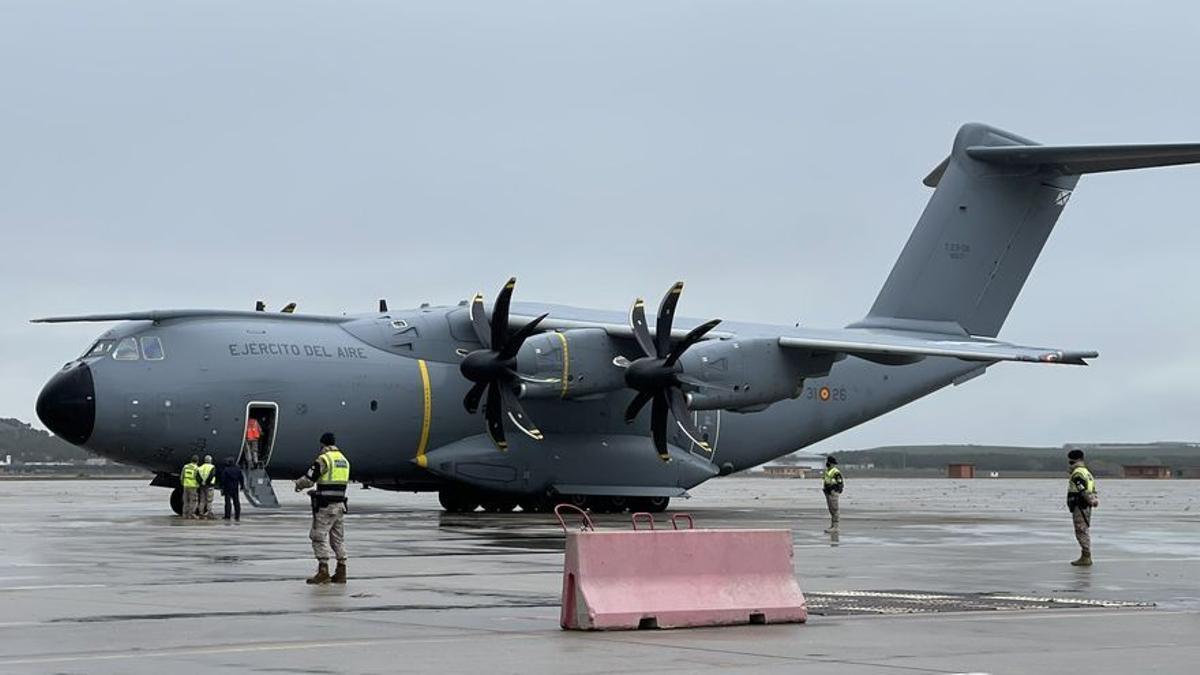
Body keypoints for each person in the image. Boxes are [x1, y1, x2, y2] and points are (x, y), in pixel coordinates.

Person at [294, 432, 350, 584]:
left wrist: (298, 484)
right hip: (340, 506)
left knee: (318, 536)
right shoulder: (343, 460)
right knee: (337, 539)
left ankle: (323, 571)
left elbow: (310, 478)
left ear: (323, 444)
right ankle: (341, 571)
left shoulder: (324, 459)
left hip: (325, 507)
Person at [1066, 449, 1098, 567]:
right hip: (1086, 505)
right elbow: (1092, 488)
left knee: (1081, 529)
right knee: (1083, 528)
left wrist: (1089, 499)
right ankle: (1085, 555)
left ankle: (1086, 556)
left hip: (1080, 504)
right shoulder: (1087, 472)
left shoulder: (1077, 473)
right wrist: (1094, 499)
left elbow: (1081, 488)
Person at [822, 456, 844, 533]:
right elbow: (826, 481)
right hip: (828, 492)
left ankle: (835, 527)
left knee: (835, 509)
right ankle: (832, 526)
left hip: (833, 492)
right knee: (831, 509)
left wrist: (835, 490)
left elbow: (840, 482)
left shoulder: (835, 472)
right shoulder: (828, 471)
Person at [219, 457, 245, 521]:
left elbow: (223, 479)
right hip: (235, 488)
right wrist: (242, 486)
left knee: (228, 503)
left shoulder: (226, 470)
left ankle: (227, 516)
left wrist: (221, 486)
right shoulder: (238, 469)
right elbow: (241, 478)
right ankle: (237, 516)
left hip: (227, 488)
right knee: (236, 502)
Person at [196, 454, 217, 519]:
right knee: (209, 500)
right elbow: (211, 475)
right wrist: (207, 482)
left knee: (202, 500)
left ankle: (201, 513)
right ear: (210, 460)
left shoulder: (200, 467)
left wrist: (202, 482)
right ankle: (209, 512)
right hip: (209, 486)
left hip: (202, 486)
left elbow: (197, 476)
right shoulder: (212, 467)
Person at [180, 455, 200, 519]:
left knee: (185, 501)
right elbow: (198, 478)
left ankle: (184, 514)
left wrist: (183, 483)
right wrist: (198, 485)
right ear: (197, 461)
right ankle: (191, 514)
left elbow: (182, 477)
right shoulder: (196, 468)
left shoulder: (185, 467)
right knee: (193, 501)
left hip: (186, 486)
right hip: (193, 487)